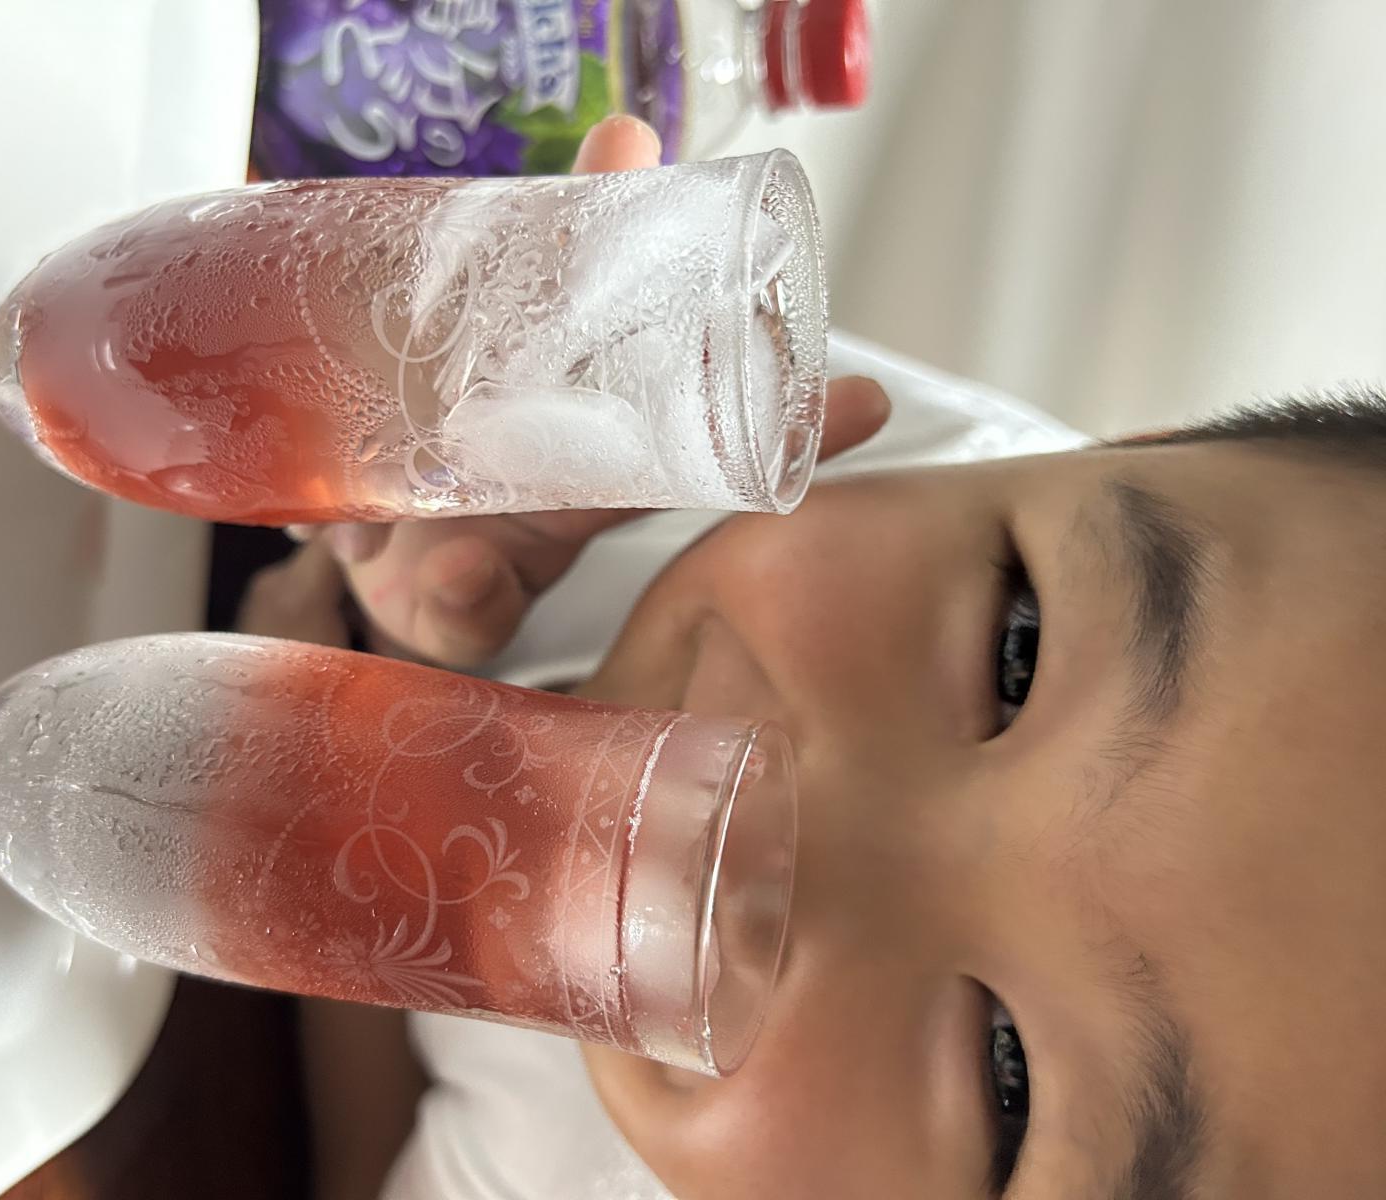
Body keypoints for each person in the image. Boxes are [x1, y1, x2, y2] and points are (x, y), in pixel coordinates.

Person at [237, 115, 1386, 1198]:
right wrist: (447, 386)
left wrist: (326, 772)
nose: (776, 837)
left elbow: (375, 1161)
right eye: (1017, 656)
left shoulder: (579, 1172)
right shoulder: (823, 448)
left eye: (1007, 1082)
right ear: (1103, 454)